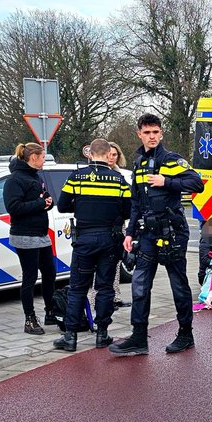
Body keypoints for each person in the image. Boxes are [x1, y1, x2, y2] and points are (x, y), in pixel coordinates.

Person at [110, 113, 204, 356]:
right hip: (147, 234)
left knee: (178, 285)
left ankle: (186, 334)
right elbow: (136, 203)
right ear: (139, 134)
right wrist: (129, 233)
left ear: (161, 133)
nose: (152, 136)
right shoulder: (139, 164)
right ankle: (139, 337)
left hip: (172, 233)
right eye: (147, 132)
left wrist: (168, 181)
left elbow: (197, 183)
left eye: (156, 132)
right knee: (140, 285)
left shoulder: (171, 160)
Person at [53, 138, 131, 352]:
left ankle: (70, 337)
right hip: (109, 239)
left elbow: (61, 206)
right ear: (108, 155)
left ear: (90, 155)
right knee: (105, 287)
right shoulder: (118, 179)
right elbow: (128, 210)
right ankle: (102, 333)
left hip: (84, 239)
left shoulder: (76, 177)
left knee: (78, 287)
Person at [3, 142, 57, 335]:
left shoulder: (35, 176)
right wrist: (40, 203)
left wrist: (47, 202)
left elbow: (41, 199)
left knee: (50, 273)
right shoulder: (15, 180)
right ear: (33, 157)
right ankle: (29, 319)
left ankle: (51, 311)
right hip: (25, 235)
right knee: (30, 277)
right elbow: (14, 207)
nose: (44, 160)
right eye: (42, 157)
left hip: (41, 234)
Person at [100, 140, 132, 309]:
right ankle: (105, 297)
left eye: (115, 154)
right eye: (109, 154)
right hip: (104, 225)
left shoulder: (120, 174)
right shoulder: (100, 173)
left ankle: (115, 296)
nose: (111, 157)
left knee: (118, 262)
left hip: (119, 224)